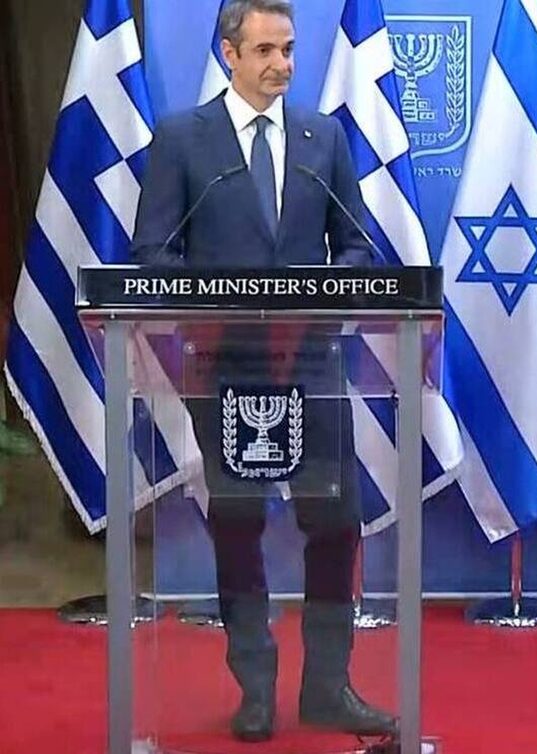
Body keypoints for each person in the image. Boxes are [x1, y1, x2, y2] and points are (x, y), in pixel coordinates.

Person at [130, 0, 391, 743]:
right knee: (239, 523)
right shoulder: (184, 139)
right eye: (267, 50)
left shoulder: (322, 137)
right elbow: (154, 255)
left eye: (289, 49)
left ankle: (328, 687)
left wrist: (323, 291)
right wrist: (221, 302)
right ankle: (255, 686)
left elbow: (357, 247)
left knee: (334, 523)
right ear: (229, 54)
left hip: (312, 363)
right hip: (224, 368)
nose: (283, 64)